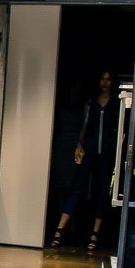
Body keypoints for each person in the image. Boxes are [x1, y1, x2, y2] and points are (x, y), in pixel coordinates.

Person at [50, 68, 119, 253]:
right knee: (77, 187)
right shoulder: (92, 101)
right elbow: (85, 124)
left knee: (102, 191)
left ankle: (95, 233)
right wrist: (79, 144)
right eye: (102, 79)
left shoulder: (116, 102)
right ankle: (60, 229)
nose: (105, 82)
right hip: (90, 148)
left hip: (106, 150)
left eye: (108, 79)